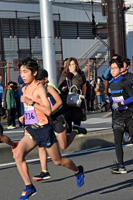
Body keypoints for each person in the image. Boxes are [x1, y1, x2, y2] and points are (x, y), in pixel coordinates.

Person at [15, 57, 85, 200]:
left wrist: (31, 102)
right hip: (32, 129)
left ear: (34, 73)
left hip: (44, 130)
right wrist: (24, 117)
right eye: (21, 71)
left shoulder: (41, 88)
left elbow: (47, 111)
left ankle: (77, 171)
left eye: (25, 71)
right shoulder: (24, 88)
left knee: (58, 161)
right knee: (18, 155)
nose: (22, 74)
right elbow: (31, 110)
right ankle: (29, 187)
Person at [32, 68, 87, 181]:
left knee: (63, 146)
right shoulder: (38, 89)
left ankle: (76, 130)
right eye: (36, 80)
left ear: (45, 79)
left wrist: (50, 111)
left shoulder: (49, 87)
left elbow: (59, 102)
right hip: (46, 120)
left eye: (39, 80)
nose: (37, 82)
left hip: (58, 118)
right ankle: (44, 171)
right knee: (41, 145)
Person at [57, 57, 87, 132]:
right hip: (67, 100)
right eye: (70, 65)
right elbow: (59, 86)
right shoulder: (64, 75)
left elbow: (82, 82)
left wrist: (75, 73)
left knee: (77, 122)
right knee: (68, 122)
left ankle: (77, 132)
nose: (72, 66)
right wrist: (62, 89)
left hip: (77, 99)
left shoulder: (80, 74)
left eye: (73, 65)